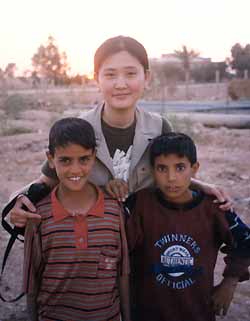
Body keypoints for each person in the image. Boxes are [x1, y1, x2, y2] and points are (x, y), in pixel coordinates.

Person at [8, 35, 231, 229]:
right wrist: (16, 201)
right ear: (96, 78)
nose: (121, 84)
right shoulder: (77, 129)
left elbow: (170, 177)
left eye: (131, 74)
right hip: (95, 242)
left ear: (147, 78)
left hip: (145, 242)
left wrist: (203, 186)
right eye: (111, 74)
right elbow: (47, 181)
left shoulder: (159, 128)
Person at [125, 132, 250, 321]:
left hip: (196, 312)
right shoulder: (139, 205)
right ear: (152, 170)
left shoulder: (214, 207)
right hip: (146, 312)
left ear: (194, 169)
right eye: (162, 168)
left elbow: (245, 241)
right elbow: (118, 250)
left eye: (180, 167)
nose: (171, 177)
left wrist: (229, 283)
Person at [23, 117, 130, 321]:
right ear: (51, 159)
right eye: (65, 160)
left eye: (83, 159)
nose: (75, 170)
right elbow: (31, 283)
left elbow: (122, 273)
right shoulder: (38, 215)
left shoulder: (113, 209)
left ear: (94, 157)